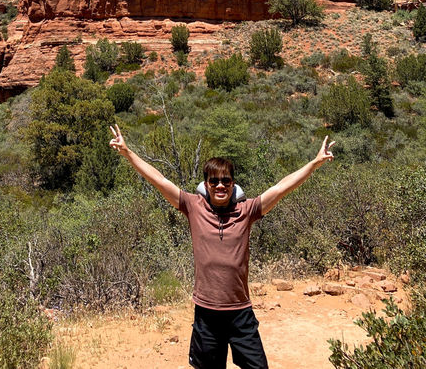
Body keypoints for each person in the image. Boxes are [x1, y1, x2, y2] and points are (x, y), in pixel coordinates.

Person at [109, 124, 335, 369]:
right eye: (214, 180)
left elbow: (281, 187)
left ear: (233, 184)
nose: (220, 185)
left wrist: (314, 163)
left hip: (240, 313)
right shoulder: (193, 207)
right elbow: (160, 180)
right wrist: (128, 153)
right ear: (206, 184)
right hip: (206, 313)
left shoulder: (247, 210)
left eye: (225, 180)